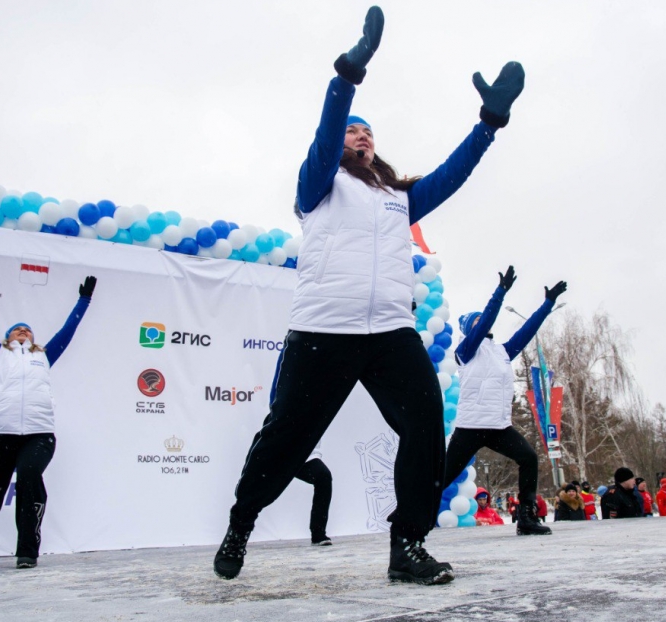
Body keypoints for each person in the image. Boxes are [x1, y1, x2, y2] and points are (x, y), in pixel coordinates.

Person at [213, 6, 527, 586]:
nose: (362, 136)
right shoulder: (320, 185)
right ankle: (242, 521)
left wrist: (488, 123)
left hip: (389, 330)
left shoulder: (398, 197)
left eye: (369, 131)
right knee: (288, 437)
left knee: (427, 424)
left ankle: (407, 544)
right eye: (355, 130)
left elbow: (451, 175)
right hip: (324, 327)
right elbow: (326, 135)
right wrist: (346, 79)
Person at [0, 248, 96, 569]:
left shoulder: (44, 356)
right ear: (8, 337)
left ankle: (27, 551)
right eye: (17, 329)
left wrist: (84, 301)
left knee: (28, 479)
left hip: (38, 435)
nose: (23, 331)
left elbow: (68, 331)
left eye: (28, 330)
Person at [443, 268, 566, 536]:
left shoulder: (501, 352)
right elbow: (485, 321)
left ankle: (526, 518)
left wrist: (547, 304)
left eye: (481, 321)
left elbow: (526, 331)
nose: (482, 324)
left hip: (499, 426)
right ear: (468, 329)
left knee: (529, 458)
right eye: (476, 322)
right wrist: (499, 293)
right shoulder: (466, 351)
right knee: (441, 477)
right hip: (471, 426)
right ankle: (409, 512)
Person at [294, 441, 333, 546]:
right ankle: (244, 525)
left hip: (306, 454)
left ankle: (318, 533)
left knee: (323, 476)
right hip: (277, 450)